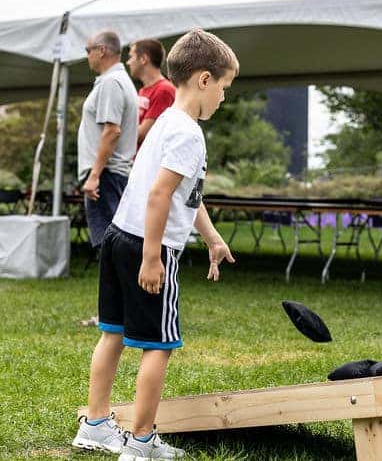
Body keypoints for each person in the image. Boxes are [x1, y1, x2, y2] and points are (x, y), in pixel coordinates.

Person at [71, 29, 238, 460]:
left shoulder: (167, 122)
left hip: (117, 237)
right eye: (223, 87)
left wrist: (213, 238)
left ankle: (95, 425)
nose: (223, 97)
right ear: (204, 80)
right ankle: (141, 443)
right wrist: (152, 258)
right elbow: (159, 196)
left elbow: (185, 195)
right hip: (150, 246)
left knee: (112, 333)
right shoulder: (189, 134)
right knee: (158, 346)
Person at [78, 30, 140, 326]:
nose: (86, 55)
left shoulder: (112, 83)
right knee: (114, 246)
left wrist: (94, 175)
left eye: (88, 49)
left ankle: (117, 313)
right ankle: (118, 311)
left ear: (102, 51)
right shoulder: (116, 81)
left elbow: (111, 131)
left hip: (107, 175)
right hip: (111, 174)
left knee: (110, 246)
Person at [127, 38, 177, 148]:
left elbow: (142, 135)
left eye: (131, 57)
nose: (128, 62)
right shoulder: (143, 91)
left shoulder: (164, 90)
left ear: (143, 59)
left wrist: (114, 135)